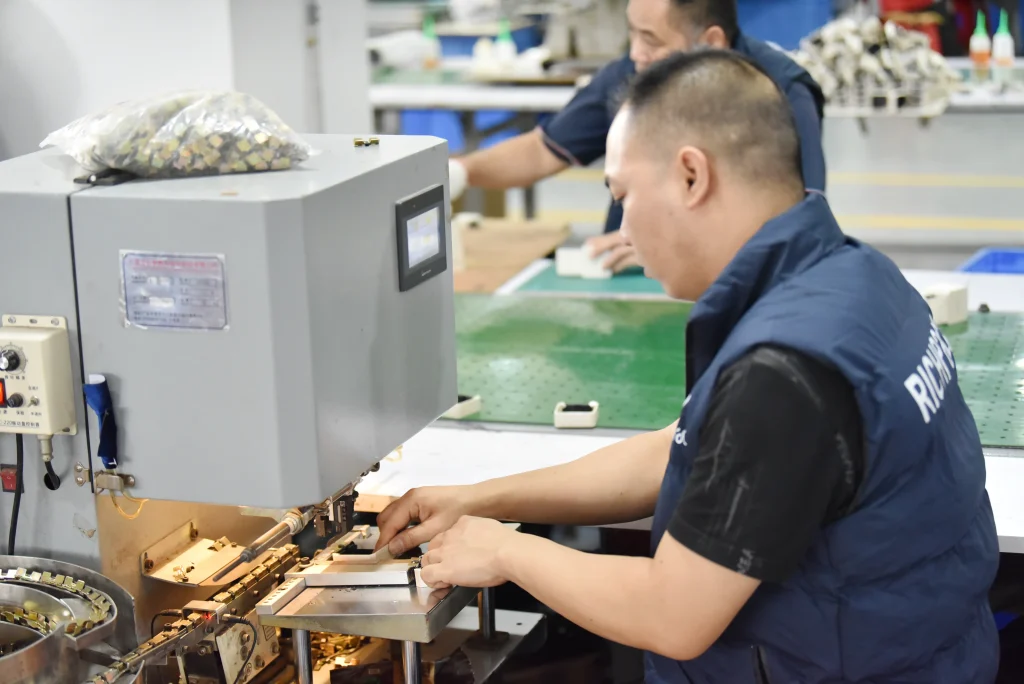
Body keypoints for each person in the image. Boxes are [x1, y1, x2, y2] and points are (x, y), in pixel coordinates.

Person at [377, 50, 999, 683]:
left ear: (691, 176)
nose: (621, 227)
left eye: (622, 195)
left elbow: (675, 615)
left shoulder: (785, 370)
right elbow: (686, 455)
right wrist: (482, 499)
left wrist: (507, 549)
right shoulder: (857, 275)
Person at [447, 0, 826, 273]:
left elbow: (802, 228)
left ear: (711, 42)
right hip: (629, 284)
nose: (636, 54)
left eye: (651, 39)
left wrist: (676, 250)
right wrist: (458, 173)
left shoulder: (782, 93)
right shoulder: (633, 74)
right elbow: (541, 151)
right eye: (631, 34)